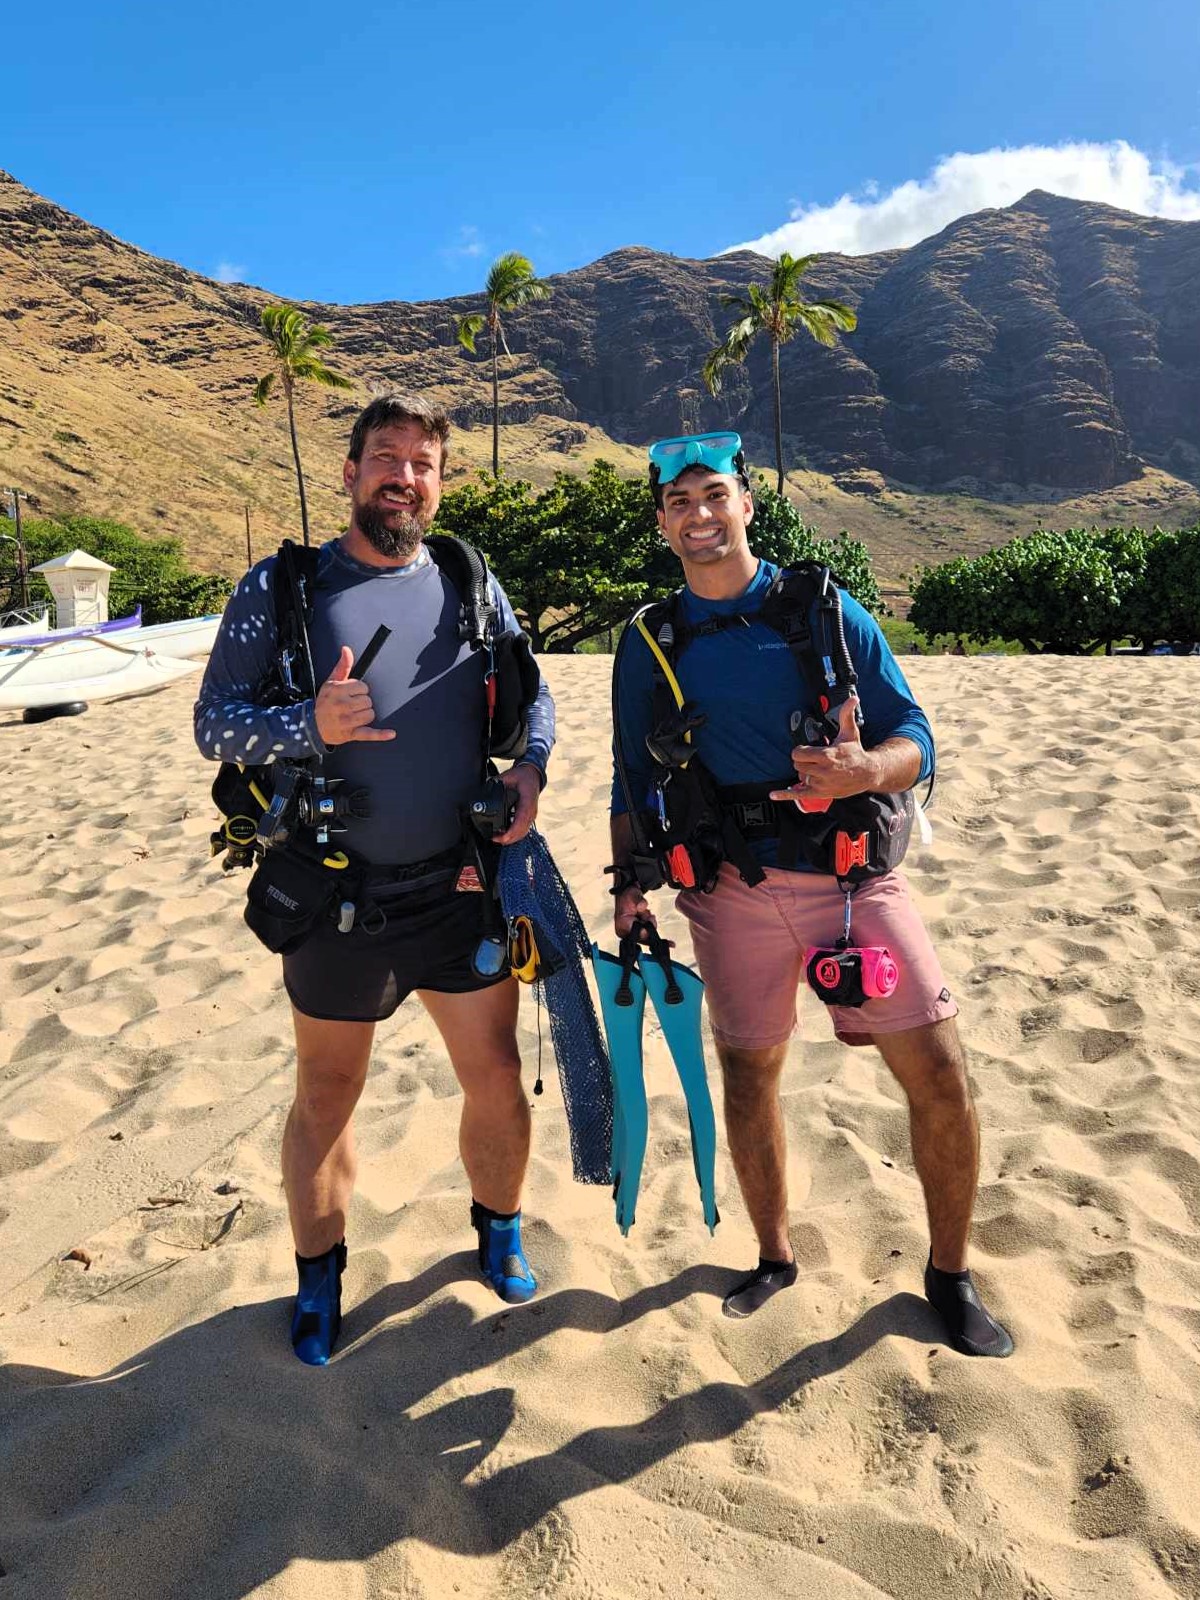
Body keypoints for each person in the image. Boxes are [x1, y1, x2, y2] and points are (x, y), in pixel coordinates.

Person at [607, 431, 1012, 1357]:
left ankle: (950, 1276)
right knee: (750, 1075)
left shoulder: (823, 610)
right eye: (679, 503)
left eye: (715, 495)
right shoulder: (648, 640)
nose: (700, 515)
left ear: (748, 502)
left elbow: (918, 734)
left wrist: (867, 769)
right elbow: (632, 776)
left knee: (940, 1072)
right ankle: (775, 1256)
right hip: (725, 891)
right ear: (663, 522)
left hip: (851, 879)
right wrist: (629, 889)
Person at [195, 393, 554, 1364]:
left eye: (422, 462)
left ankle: (500, 1225)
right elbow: (215, 724)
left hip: (458, 890)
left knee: (496, 1079)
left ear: (438, 482)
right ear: (350, 473)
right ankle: (318, 1279)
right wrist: (308, 724)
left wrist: (529, 770)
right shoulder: (283, 589)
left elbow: (535, 695)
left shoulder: (471, 578)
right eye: (384, 456)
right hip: (332, 894)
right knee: (326, 1093)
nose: (404, 474)